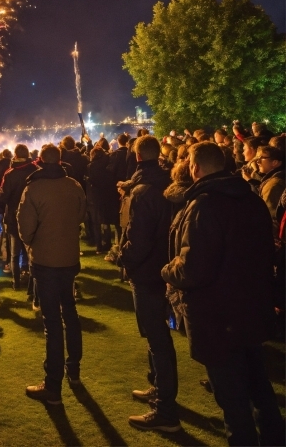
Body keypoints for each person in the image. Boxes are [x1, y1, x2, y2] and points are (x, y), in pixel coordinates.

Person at [162, 141, 284, 447]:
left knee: (233, 401)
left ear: (196, 167)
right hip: (252, 308)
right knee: (259, 388)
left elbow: (194, 268)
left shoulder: (204, 205)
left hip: (218, 316)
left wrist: (167, 270)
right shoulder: (250, 198)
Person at [117, 134, 179, 433]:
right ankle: (158, 389)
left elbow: (138, 238)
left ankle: (165, 409)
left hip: (147, 271)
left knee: (157, 337)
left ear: (137, 157)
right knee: (158, 336)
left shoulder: (144, 191)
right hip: (164, 267)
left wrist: (122, 256)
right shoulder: (169, 185)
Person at [18, 143, 86, 404]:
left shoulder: (34, 187)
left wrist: (35, 242)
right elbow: (80, 214)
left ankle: (53, 385)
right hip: (69, 257)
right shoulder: (73, 185)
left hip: (45, 260)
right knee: (70, 311)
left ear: (40, 161)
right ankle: (74, 369)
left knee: (52, 322)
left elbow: (25, 227)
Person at [0, 144, 36, 290]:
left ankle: (16, 283)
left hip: (14, 216)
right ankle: (32, 285)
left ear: (15, 155)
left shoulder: (10, 173)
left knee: (14, 254)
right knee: (32, 252)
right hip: (33, 215)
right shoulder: (36, 171)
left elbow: (3, 197)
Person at [255, 146, 285, 237]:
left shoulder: (273, 185)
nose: (258, 161)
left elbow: (271, 216)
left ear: (275, 162)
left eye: (262, 158)